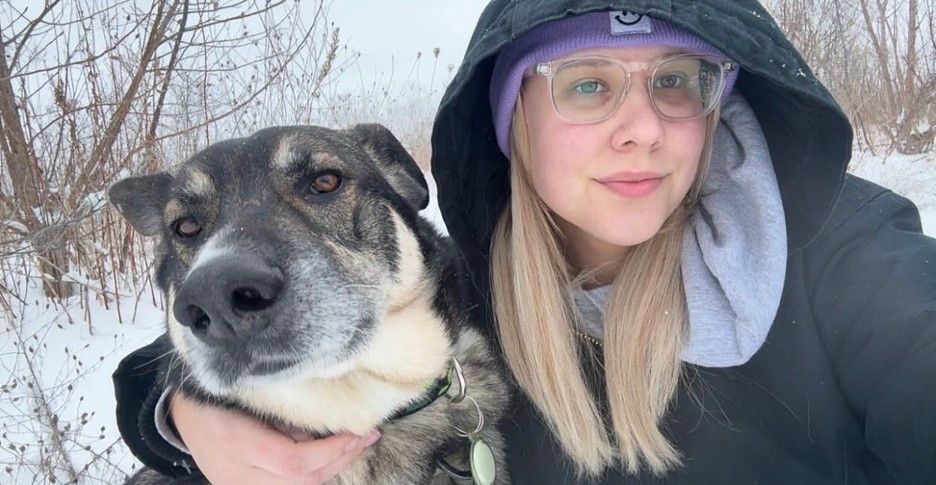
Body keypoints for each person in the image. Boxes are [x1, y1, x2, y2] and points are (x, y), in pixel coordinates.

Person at [114, 0, 936, 483]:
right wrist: (179, 414)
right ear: (514, 121)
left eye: (675, 82)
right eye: (587, 86)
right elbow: (209, 317)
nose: (642, 129)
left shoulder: (842, 253)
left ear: (716, 103)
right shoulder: (463, 288)